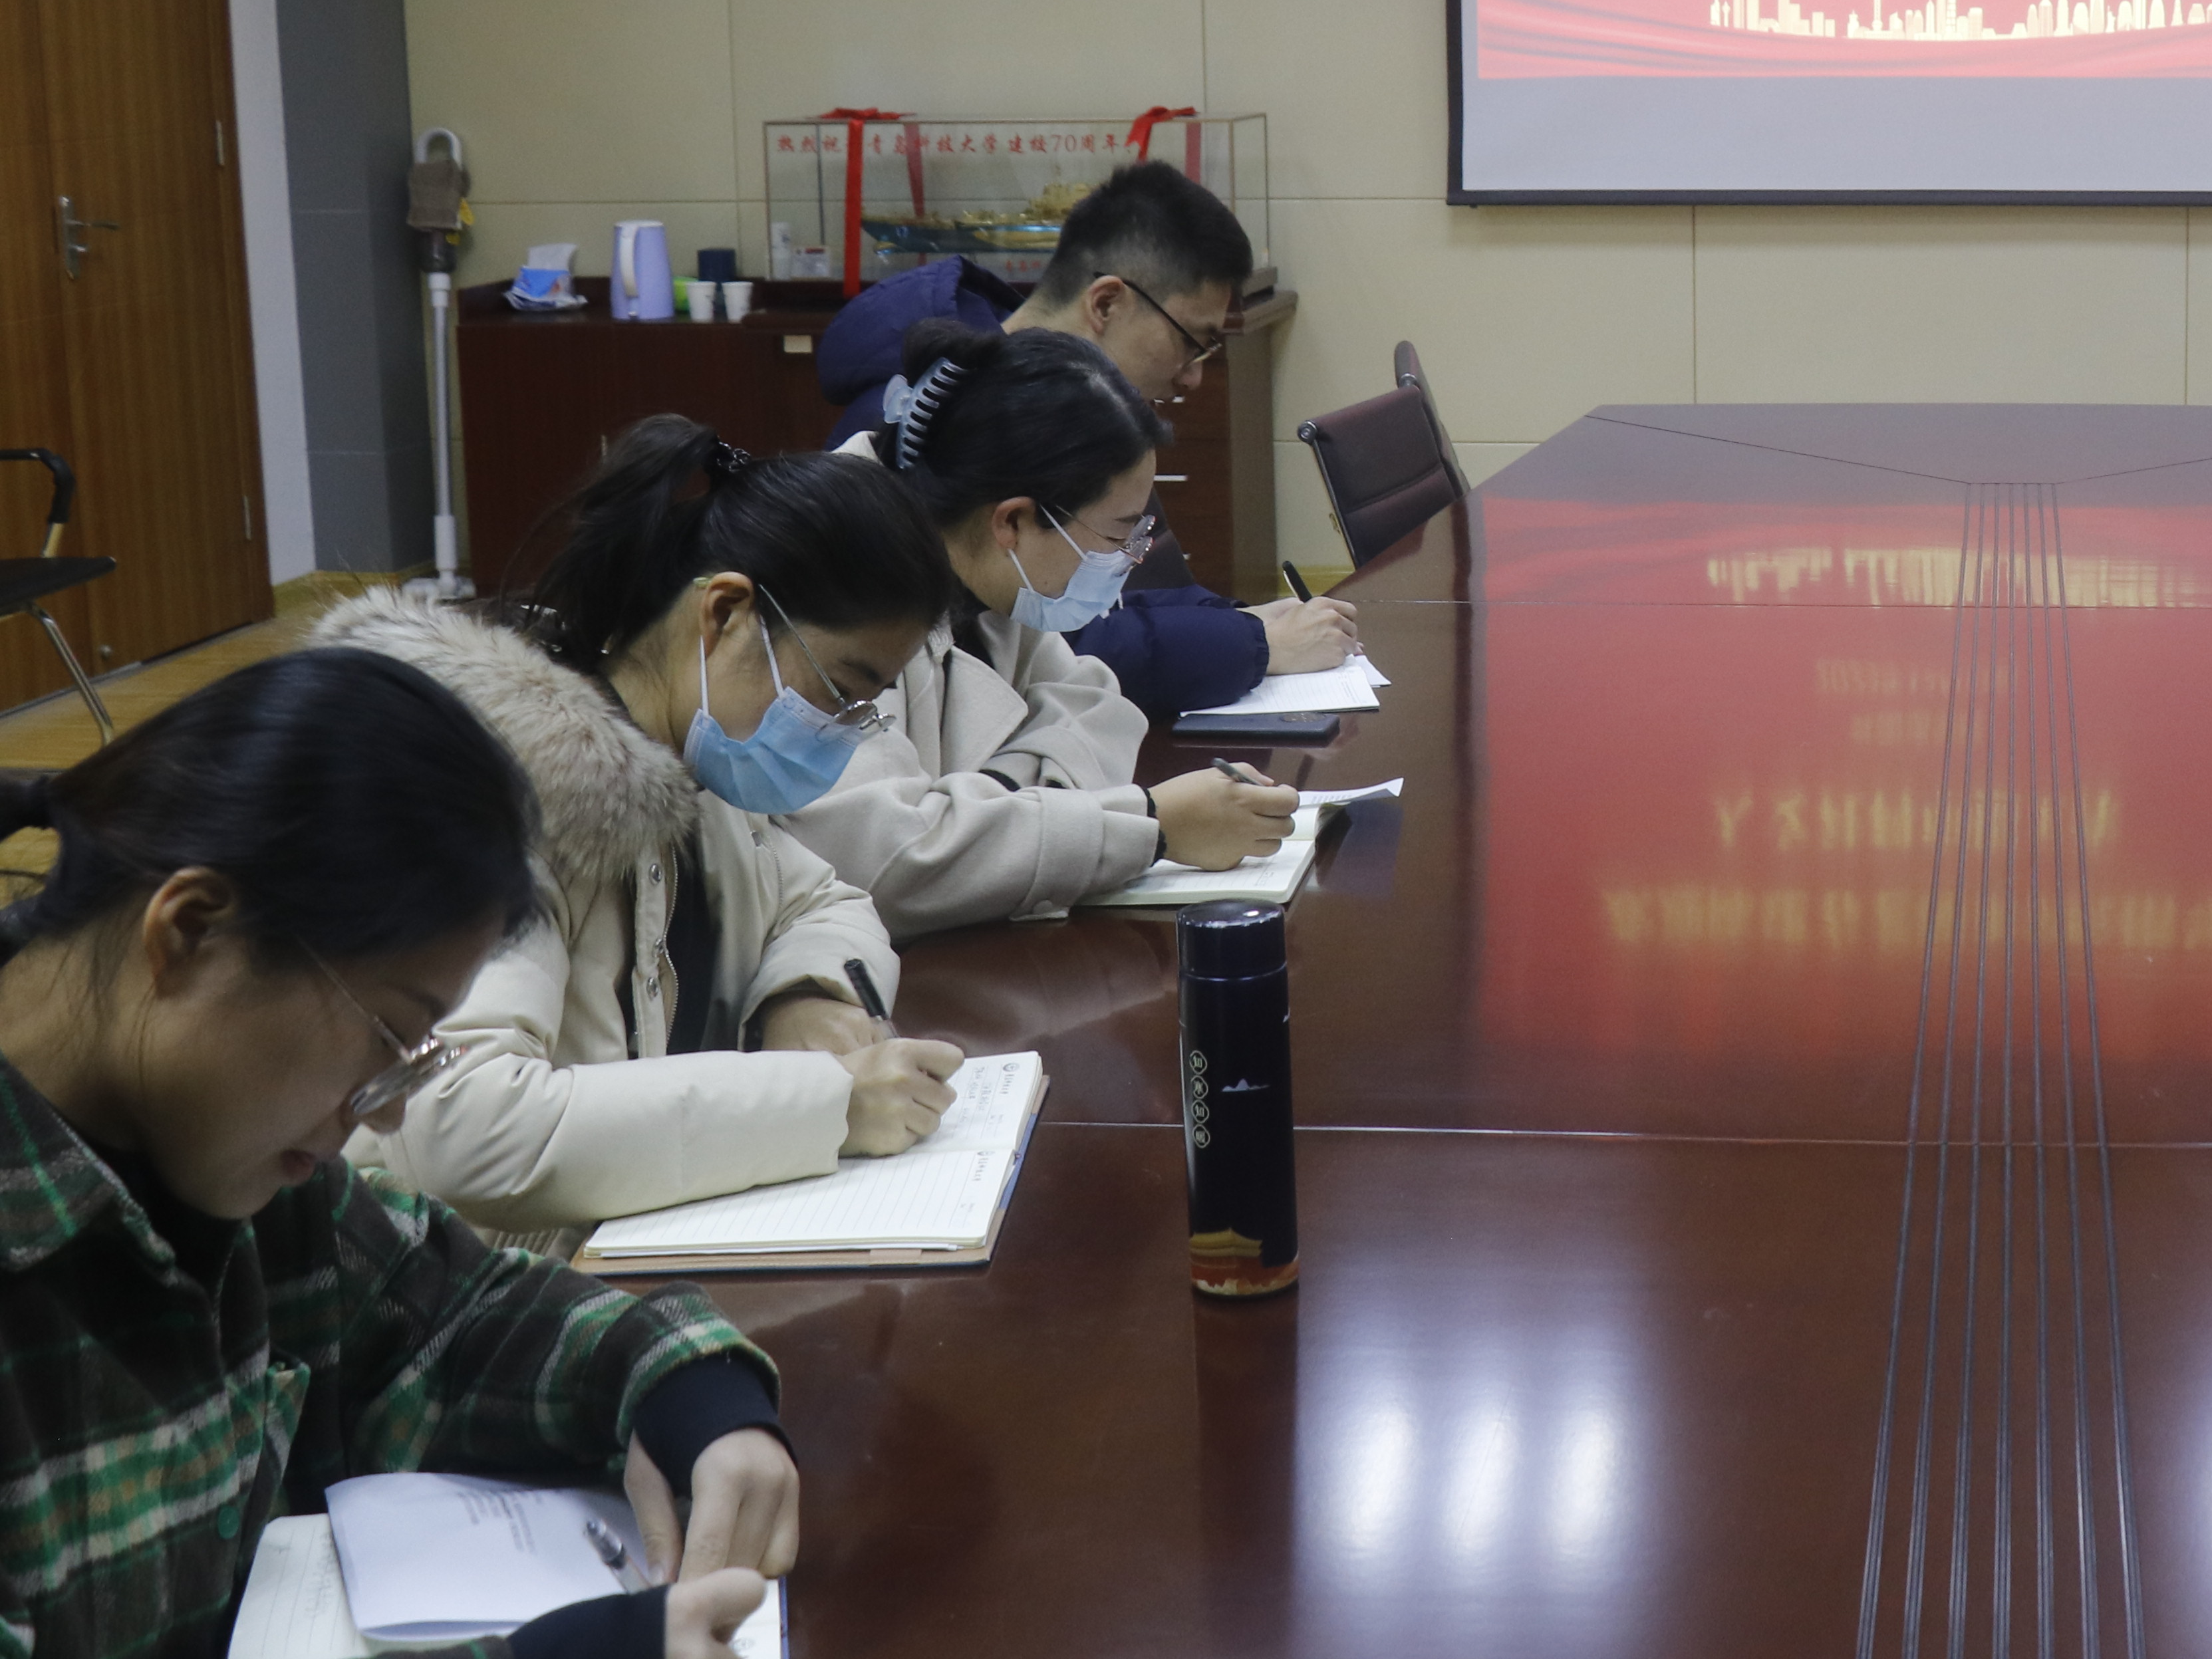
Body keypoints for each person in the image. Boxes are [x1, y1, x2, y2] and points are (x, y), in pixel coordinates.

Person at [0, 651, 792, 1659]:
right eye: (387, 1033)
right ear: (190, 933)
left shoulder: (233, 1156)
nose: (386, 1110)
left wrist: (689, 1389)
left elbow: (451, 1313)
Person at [305, 423, 972, 1232]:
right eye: (839, 690)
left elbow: (825, 901)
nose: (842, 729)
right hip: (459, 1281)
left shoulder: (691, 766)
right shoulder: (499, 794)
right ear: (725, 612)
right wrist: (828, 1103)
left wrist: (802, 993)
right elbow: (457, 1122)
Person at [784, 325, 1299, 934]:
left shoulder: (981, 554)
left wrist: (993, 809)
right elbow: (888, 861)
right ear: (1014, 521)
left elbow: (1098, 710)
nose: (1132, 558)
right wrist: (1150, 825)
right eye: (1119, 533)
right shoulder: (828, 588)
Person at [813, 161, 1353, 719]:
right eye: (1192, 342)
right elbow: (1048, 643)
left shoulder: (1098, 417)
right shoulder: (935, 421)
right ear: (1106, 303)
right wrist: (1252, 642)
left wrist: (1238, 621)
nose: (1193, 376)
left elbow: (1128, 601)